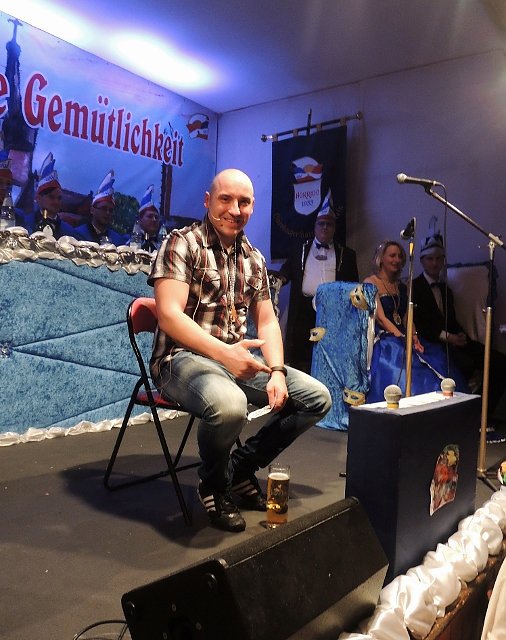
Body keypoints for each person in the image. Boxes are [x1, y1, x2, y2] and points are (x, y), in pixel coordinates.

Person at [148, 168, 331, 532]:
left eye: (243, 202)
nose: (235, 209)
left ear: (252, 206)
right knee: (230, 405)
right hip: (178, 360)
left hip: (233, 362)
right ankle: (213, 483)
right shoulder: (182, 243)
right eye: (225, 199)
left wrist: (277, 371)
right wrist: (225, 353)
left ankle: (239, 468)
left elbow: (268, 322)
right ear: (207, 201)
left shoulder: (254, 258)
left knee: (316, 398)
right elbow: (168, 316)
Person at [412, 219, 506, 422]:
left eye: (439, 259)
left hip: (454, 341)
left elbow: (451, 321)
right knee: (466, 365)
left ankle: (483, 414)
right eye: (430, 259)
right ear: (422, 261)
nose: (435, 263)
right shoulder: (415, 287)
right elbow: (422, 324)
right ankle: (468, 416)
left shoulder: (446, 290)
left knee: (499, 362)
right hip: (433, 344)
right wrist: (448, 337)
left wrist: (461, 336)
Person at [364, 239, 468, 403]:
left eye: (400, 256)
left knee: (436, 357)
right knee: (401, 363)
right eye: (392, 255)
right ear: (381, 258)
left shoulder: (402, 285)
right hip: (383, 337)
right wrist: (402, 337)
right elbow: (381, 318)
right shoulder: (370, 283)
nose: (397, 260)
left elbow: (407, 316)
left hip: (403, 334)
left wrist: (414, 336)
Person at [272, 193, 359, 373]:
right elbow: (287, 270)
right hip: (303, 312)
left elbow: (354, 286)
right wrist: (278, 280)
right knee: (301, 360)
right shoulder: (300, 248)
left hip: (332, 313)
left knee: (329, 358)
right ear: (315, 226)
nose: (325, 227)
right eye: (321, 223)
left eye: (329, 224)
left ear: (335, 228)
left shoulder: (348, 255)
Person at [24, 152, 76, 239]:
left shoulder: (69, 232)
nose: (56, 202)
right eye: (51, 197)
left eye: (59, 198)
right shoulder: (25, 223)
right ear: (38, 198)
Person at [74, 169, 127, 245]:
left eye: (111, 210)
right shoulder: (78, 235)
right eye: (104, 209)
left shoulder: (117, 240)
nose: (107, 213)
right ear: (92, 210)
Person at [128, 184, 162, 252]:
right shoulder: (129, 245)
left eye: (156, 217)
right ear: (140, 219)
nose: (154, 219)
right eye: (150, 216)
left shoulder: (163, 245)